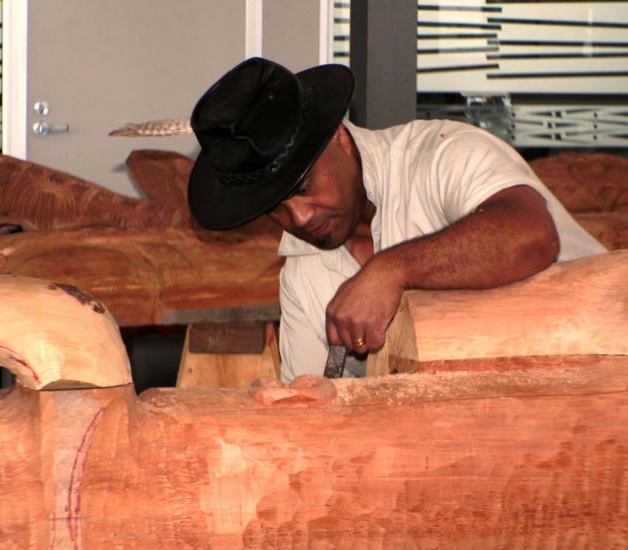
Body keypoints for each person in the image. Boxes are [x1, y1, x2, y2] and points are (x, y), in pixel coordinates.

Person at [187, 57, 606, 381]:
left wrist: (392, 270)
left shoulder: (442, 154)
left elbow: (531, 237)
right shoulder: (302, 277)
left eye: (301, 188)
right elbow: (313, 409)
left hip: (624, 381)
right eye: (273, 207)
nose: (298, 217)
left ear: (336, 137)